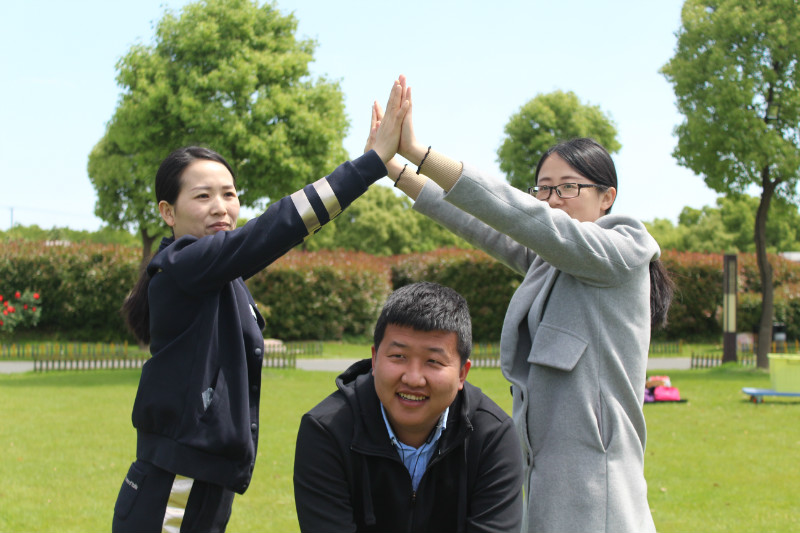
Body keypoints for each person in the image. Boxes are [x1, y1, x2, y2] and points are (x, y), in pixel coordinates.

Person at [368, 76, 673, 533]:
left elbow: (522, 217)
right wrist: (394, 170)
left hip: (599, 494)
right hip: (545, 480)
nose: (551, 200)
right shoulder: (553, 264)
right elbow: (486, 225)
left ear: (607, 197)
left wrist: (420, 152)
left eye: (568, 188)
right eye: (544, 189)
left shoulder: (623, 248)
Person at [111, 79, 409, 533]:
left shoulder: (218, 275)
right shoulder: (181, 263)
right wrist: (367, 167)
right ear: (167, 213)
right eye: (202, 195)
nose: (221, 208)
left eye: (229, 194)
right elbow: (276, 227)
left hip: (206, 480)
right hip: (176, 484)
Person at [293, 281, 524, 533]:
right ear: (374, 358)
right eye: (398, 356)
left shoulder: (492, 437)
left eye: (433, 361)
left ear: (461, 374)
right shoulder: (326, 430)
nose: (413, 379)